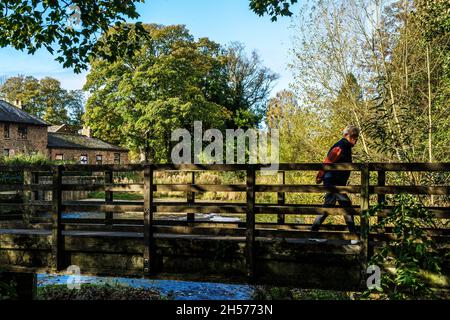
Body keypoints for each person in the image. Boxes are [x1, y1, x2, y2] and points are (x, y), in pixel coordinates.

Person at [310, 125, 360, 241]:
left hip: (336, 182)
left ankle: (313, 233)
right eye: (353, 136)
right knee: (346, 204)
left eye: (357, 137)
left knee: (328, 207)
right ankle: (354, 236)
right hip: (332, 182)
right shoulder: (340, 147)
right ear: (346, 135)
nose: (355, 139)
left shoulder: (346, 147)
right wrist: (319, 176)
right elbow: (327, 162)